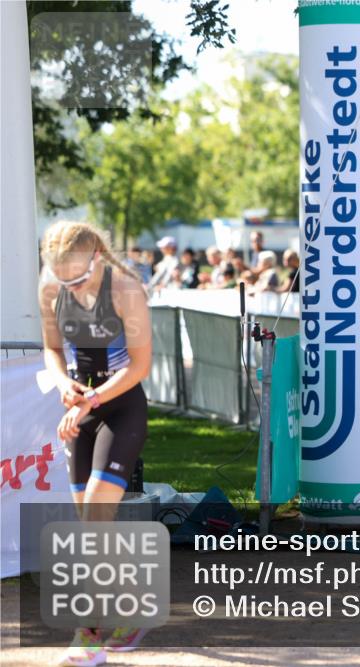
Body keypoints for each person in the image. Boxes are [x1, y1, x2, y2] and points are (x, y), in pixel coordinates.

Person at [38, 221, 153, 663]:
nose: (72, 287)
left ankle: (86, 638)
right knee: (91, 527)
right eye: (63, 280)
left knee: (96, 514)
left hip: (121, 407)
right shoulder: (51, 286)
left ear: (98, 259)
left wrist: (91, 399)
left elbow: (140, 366)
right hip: (81, 410)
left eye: (80, 279)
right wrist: (63, 383)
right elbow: (51, 349)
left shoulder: (125, 290)